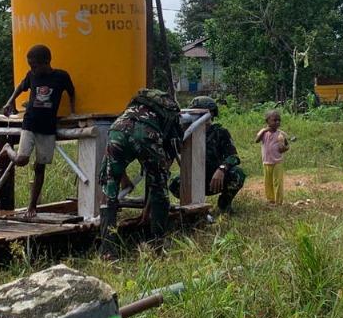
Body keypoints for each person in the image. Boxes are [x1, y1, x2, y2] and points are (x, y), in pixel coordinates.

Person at [0, 44, 77, 220]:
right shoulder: (31, 76)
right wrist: (10, 101)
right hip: (30, 123)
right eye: (30, 65)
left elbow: (71, 92)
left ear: (46, 62)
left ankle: (32, 206)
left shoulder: (61, 77)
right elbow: (20, 87)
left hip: (48, 127)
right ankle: (7, 149)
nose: (32, 68)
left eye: (34, 65)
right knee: (21, 160)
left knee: (40, 167)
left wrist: (73, 113)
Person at [100, 88, 183, 239]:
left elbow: (112, 163)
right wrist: (149, 208)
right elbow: (162, 170)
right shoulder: (172, 117)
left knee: (109, 189)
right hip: (146, 134)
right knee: (160, 188)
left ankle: (107, 248)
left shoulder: (133, 106)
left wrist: (123, 178)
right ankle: (157, 243)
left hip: (116, 129)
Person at [169, 96, 245, 215]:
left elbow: (234, 157)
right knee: (174, 183)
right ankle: (195, 207)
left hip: (216, 179)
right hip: (194, 179)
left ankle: (224, 205)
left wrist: (222, 169)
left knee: (237, 174)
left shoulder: (220, 132)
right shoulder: (187, 133)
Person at [254, 109, 290, 204]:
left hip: (277, 162)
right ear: (267, 121)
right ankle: (270, 199)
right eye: (274, 120)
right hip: (266, 162)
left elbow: (286, 146)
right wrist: (265, 130)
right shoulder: (263, 132)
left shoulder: (281, 134)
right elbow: (256, 140)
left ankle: (278, 202)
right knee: (268, 182)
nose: (277, 122)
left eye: (279, 120)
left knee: (278, 182)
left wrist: (284, 147)